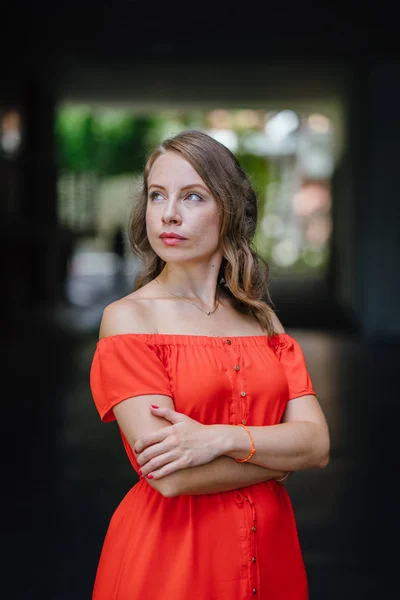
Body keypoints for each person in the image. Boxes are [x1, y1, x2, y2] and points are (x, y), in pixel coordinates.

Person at [89, 129, 330, 599]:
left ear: (231, 209)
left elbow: (317, 444)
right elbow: (172, 477)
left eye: (192, 196)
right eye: (157, 196)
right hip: (172, 561)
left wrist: (222, 438)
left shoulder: (262, 320)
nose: (169, 214)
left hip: (273, 551)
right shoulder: (128, 319)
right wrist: (279, 461)